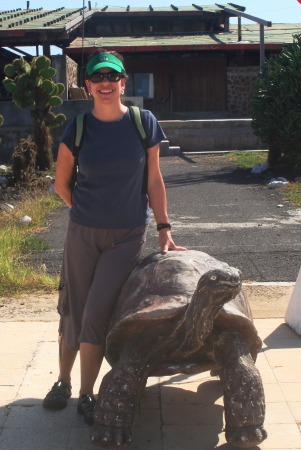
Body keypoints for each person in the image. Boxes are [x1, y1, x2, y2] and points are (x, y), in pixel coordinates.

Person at [43, 50, 186, 425]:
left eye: (113, 76)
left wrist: (163, 228)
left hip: (127, 236)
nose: (105, 82)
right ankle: (63, 381)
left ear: (123, 82)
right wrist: (87, 212)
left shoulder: (144, 123)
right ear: (87, 84)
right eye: (97, 77)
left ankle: (87, 394)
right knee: (72, 308)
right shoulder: (77, 128)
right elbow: (61, 184)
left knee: (96, 310)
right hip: (83, 234)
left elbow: (154, 180)